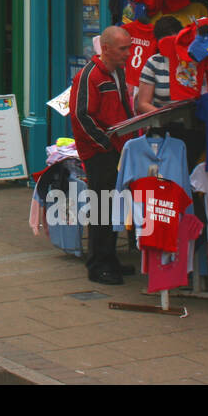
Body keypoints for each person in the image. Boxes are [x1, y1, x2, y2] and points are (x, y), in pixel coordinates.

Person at [70, 26, 135, 285]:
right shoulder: (89, 76)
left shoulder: (116, 72)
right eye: (123, 49)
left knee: (113, 207)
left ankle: (109, 258)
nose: (128, 54)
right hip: (100, 152)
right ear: (106, 48)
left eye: (129, 47)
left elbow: (122, 107)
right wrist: (105, 144)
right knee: (101, 208)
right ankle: (98, 265)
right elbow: (80, 115)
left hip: (117, 148)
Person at [135, 16, 183, 115]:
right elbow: (143, 103)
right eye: (165, 43)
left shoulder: (192, 59)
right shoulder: (154, 63)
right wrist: (167, 117)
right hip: (163, 123)